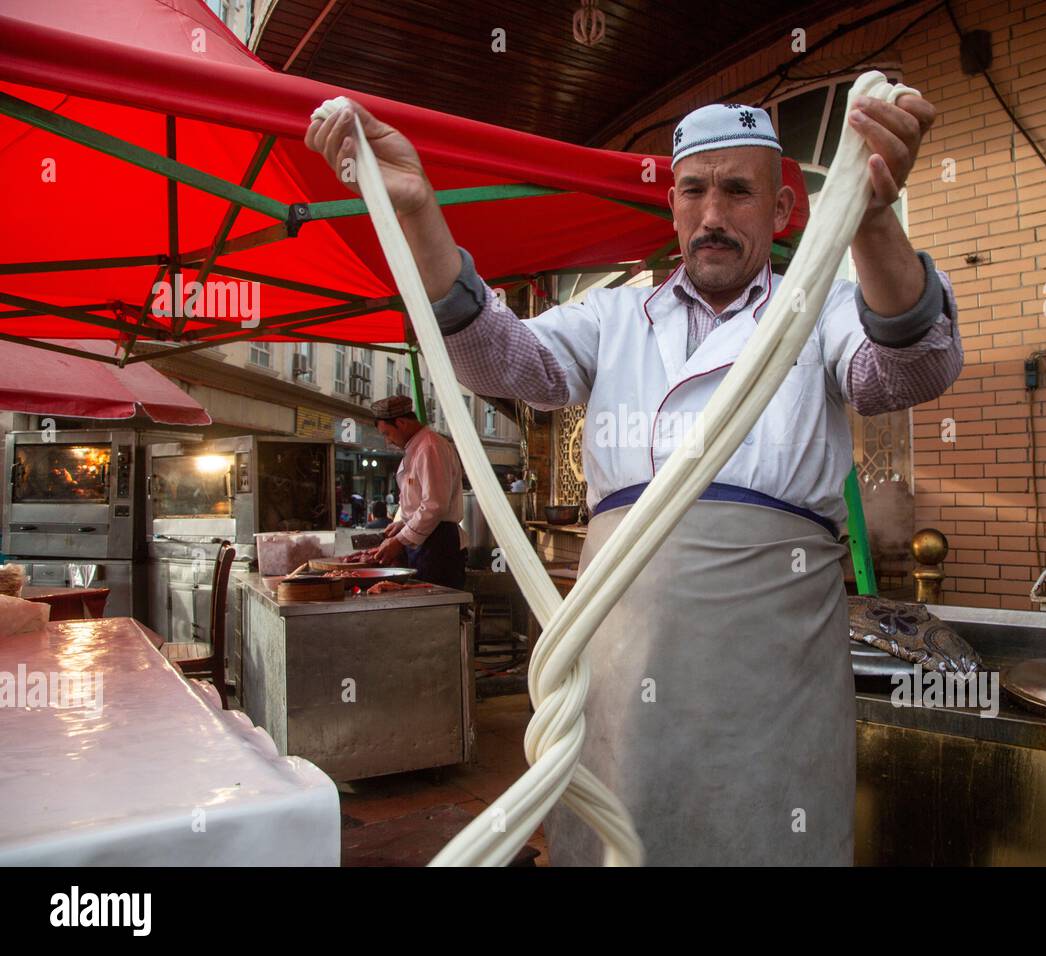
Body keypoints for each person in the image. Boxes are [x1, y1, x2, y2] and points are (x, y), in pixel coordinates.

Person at [307, 91, 960, 865]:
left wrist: (871, 216)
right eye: (694, 190)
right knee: (620, 823)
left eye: (738, 191)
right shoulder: (614, 319)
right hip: (619, 644)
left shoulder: (819, 308)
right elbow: (496, 358)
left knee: (767, 829)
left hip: (775, 653)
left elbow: (910, 370)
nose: (712, 213)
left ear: (784, 208)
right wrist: (420, 212)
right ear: (674, 206)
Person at [364, 395, 466, 589]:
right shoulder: (417, 447)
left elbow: (434, 506)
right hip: (426, 542)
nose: (388, 442)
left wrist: (399, 541)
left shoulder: (430, 447)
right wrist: (404, 522)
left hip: (438, 546)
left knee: (434, 611)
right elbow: (424, 500)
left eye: (387, 434)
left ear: (401, 422)